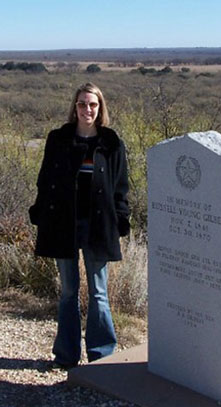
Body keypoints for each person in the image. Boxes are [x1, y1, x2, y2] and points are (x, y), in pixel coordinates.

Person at [29, 82, 130, 369]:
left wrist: (122, 220)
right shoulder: (58, 139)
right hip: (64, 225)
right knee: (68, 292)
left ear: (101, 108)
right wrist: (39, 212)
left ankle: (102, 357)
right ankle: (66, 356)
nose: (87, 109)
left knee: (99, 293)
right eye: (82, 104)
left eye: (93, 104)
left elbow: (120, 187)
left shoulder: (111, 143)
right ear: (74, 107)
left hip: (99, 227)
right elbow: (45, 179)